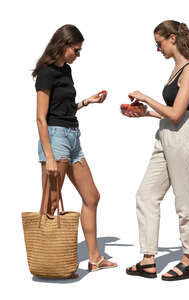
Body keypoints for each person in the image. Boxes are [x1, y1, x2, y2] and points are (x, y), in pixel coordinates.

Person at [123, 20, 189, 281]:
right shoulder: (176, 69)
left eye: (159, 43)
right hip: (165, 135)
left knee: (185, 201)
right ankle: (148, 260)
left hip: (182, 137)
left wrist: (147, 97)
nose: (157, 48)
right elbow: (169, 115)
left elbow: (177, 113)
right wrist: (145, 113)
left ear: (172, 38)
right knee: (146, 195)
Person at [32, 24, 117, 276]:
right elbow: (40, 118)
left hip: (73, 137)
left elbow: (64, 108)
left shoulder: (66, 71)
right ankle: (51, 264)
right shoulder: (45, 74)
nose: (77, 56)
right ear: (63, 45)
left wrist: (86, 102)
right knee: (52, 203)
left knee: (92, 196)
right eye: (76, 50)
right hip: (55, 139)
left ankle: (94, 258)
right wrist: (49, 156)